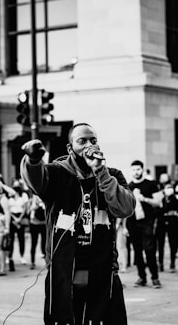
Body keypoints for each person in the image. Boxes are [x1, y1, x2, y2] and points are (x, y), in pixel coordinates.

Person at [21, 123, 135, 325]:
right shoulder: (57, 172)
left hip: (104, 270)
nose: (89, 145)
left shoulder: (112, 175)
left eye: (93, 140)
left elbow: (125, 208)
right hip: (65, 271)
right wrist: (33, 160)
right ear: (70, 148)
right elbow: (36, 181)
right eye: (82, 141)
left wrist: (101, 173)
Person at [128, 160, 162, 288]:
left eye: (138, 169)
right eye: (134, 169)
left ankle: (155, 277)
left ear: (142, 170)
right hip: (132, 222)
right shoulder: (128, 186)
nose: (136, 172)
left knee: (150, 250)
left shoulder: (151, 184)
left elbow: (158, 202)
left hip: (147, 222)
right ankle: (141, 277)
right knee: (137, 251)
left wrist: (144, 199)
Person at [157, 183, 178, 273]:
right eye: (167, 188)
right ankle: (160, 263)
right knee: (160, 244)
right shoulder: (161, 199)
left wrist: (165, 211)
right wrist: (167, 211)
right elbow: (158, 211)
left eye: (171, 188)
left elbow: (176, 210)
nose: (169, 189)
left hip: (172, 223)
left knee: (173, 243)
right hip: (161, 222)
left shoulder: (175, 199)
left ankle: (172, 263)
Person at [8, 180, 30, 270]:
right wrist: (14, 218)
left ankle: (22, 256)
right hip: (12, 217)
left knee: (21, 238)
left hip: (20, 216)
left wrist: (19, 218)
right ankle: (10, 257)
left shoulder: (23, 195)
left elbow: (25, 207)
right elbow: (8, 208)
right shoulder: (10, 195)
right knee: (11, 238)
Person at [28, 193, 46, 270]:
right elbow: (28, 211)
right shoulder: (32, 200)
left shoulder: (45, 199)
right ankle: (32, 262)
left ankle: (46, 261)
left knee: (44, 243)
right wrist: (34, 206)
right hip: (34, 223)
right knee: (33, 243)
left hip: (43, 223)